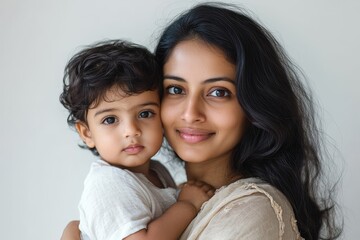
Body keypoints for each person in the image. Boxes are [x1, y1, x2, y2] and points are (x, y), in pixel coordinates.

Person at [61, 3, 342, 240]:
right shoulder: (158, 187)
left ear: (253, 104)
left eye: (219, 92)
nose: (191, 112)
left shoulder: (250, 211)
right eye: (176, 89)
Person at [59, 40, 214, 240]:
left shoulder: (156, 171)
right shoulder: (108, 184)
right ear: (87, 133)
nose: (131, 131)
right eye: (110, 119)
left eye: (145, 114)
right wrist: (188, 205)